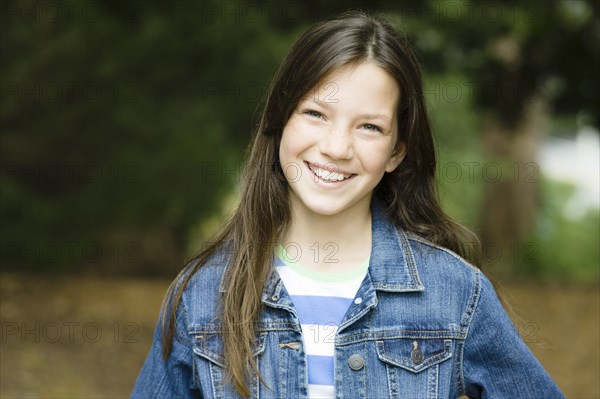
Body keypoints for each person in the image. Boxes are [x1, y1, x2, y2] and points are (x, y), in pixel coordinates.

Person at [132, 11, 564, 399]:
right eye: (316, 114)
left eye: (370, 127)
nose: (337, 148)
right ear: (281, 119)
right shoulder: (201, 294)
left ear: (397, 151)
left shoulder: (455, 295)